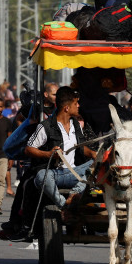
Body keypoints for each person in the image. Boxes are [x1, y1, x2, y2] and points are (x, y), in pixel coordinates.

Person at [25, 87, 98, 217]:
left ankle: (74, 195)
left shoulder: (76, 125)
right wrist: (48, 154)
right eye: (76, 103)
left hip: (74, 173)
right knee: (41, 176)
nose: (79, 106)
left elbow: (80, 147)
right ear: (67, 108)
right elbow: (29, 149)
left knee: (98, 164)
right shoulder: (45, 126)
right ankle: (64, 205)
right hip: (54, 173)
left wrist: (93, 154)